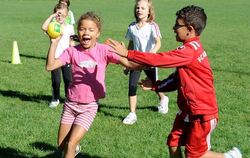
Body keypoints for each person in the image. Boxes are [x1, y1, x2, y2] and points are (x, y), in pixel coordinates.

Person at [107, 5, 242, 158]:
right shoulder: (188, 50)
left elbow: (159, 59)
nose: (174, 28)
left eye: (178, 25)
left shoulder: (189, 51)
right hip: (187, 109)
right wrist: (156, 86)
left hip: (201, 113)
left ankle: (230, 156)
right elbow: (177, 79)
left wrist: (127, 53)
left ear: (189, 29)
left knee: (195, 155)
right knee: (173, 143)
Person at [45, 11, 143, 158]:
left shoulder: (104, 50)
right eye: (82, 29)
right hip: (70, 105)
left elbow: (128, 63)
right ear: (78, 31)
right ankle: (74, 149)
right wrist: (54, 43)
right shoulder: (71, 51)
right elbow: (50, 66)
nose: (86, 32)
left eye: (91, 30)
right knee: (62, 145)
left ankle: (73, 147)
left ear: (98, 33)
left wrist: (146, 62)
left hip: (88, 107)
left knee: (70, 144)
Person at [122, 0, 169, 125]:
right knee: (132, 86)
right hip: (136, 61)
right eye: (137, 8)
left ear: (149, 11)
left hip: (150, 61)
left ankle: (163, 98)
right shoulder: (131, 27)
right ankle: (132, 114)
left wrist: (150, 55)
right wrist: (127, 63)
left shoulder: (153, 26)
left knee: (155, 84)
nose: (139, 10)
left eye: (143, 8)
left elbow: (158, 42)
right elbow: (131, 45)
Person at [42, 3, 75, 108]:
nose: (59, 16)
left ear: (66, 15)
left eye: (62, 14)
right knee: (56, 80)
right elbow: (43, 27)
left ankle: (68, 98)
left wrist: (73, 55)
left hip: (66, 58)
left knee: (68, 80)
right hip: (55, 57)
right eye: (57, 14)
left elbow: (71, 42)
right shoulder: (52, 27)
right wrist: (52, 16)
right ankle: (55, 98)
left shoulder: (69, 28)